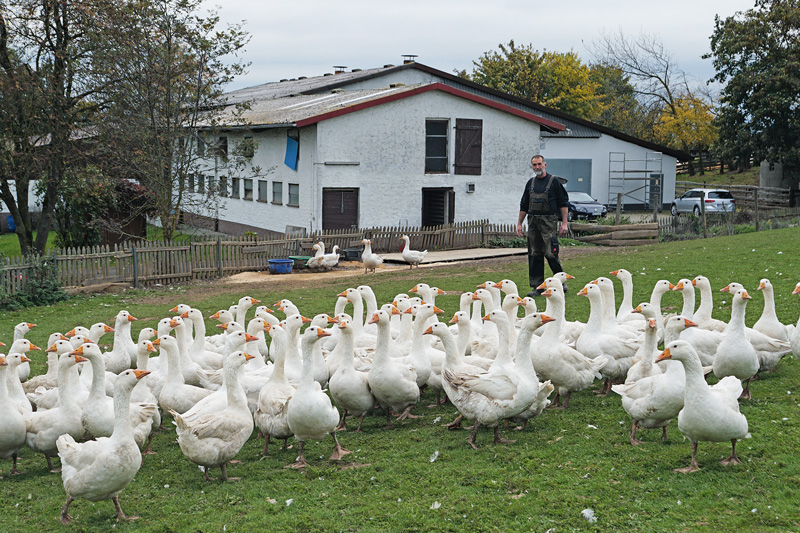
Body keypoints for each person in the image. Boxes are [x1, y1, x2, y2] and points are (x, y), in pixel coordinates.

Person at [516, 154, 569, 297]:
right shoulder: (530, 183)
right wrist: (519, 223)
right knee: (534, 254)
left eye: (539, 164)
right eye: (534, 165)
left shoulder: (554, 182)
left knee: (551, 253)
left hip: (549, 222)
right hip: (533, 222)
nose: (537, 167)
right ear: (532, 166)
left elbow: (563, 203)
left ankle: (561, 282)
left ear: (545, 165)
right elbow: (524, 205)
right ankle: (537, 287)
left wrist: (564, 223)